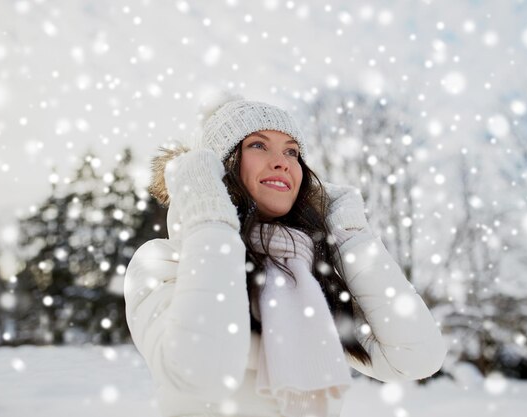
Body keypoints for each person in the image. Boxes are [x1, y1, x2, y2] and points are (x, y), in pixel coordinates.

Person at [124, 95, 447, 417]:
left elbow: (415, 357)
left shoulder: (311, 278)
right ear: (220, 167)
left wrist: (351, 236)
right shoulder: (162, 260)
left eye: (292, 151)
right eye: (258, 145)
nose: (283, 162)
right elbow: (200, 369)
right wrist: (210, 214)